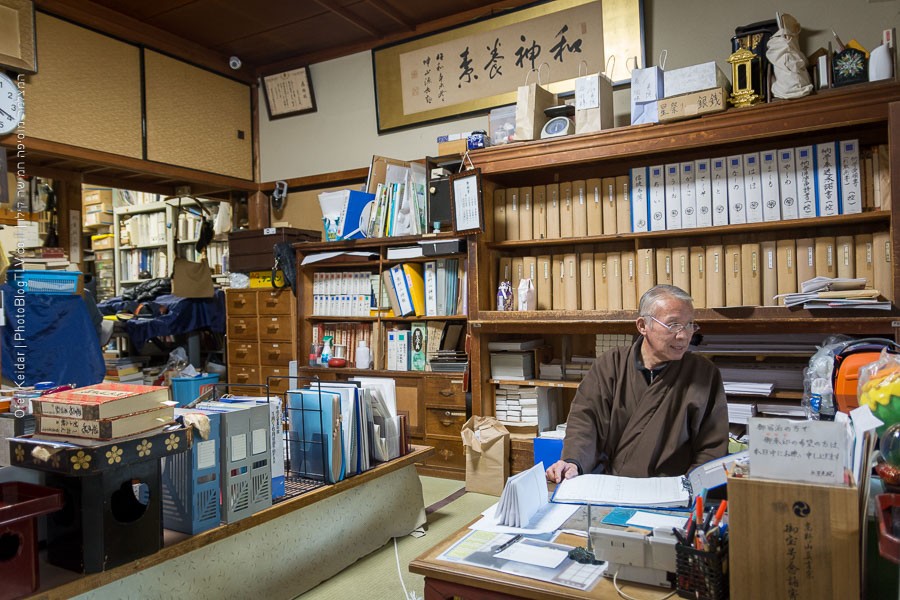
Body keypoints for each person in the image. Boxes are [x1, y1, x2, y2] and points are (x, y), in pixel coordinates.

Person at [545, 284, 728, 482]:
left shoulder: (703, 373)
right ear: (643, 326)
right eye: (673, 325)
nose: (683, 335)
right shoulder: (611, 364)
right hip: (609, 486)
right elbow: (585, 422)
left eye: (690, 325)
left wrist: (690, 488)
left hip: (673, 492)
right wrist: (573, 462)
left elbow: (712, 447)